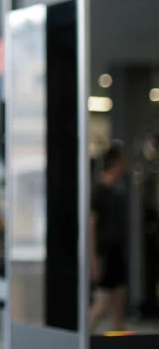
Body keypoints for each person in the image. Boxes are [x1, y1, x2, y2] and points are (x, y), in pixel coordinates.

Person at [89, 141, 128, 332]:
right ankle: (82, 337)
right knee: (102, 302)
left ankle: (118, 336)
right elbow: (91, 227)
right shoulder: (98, 192)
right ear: (114, 163)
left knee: (118, 303)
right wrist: (93, 259)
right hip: (104, 254)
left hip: (116, 253)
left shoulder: (116, 191)